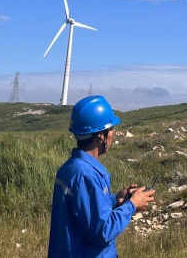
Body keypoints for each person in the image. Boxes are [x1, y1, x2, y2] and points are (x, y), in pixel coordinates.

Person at [48, 95, 155, 257]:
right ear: (100, 135)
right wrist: (132, 204)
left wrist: (115, 200)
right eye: (111, 128)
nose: (113, 133)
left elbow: (85, 208)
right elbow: (102, 232)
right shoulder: (85, 175)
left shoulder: (70, 168)